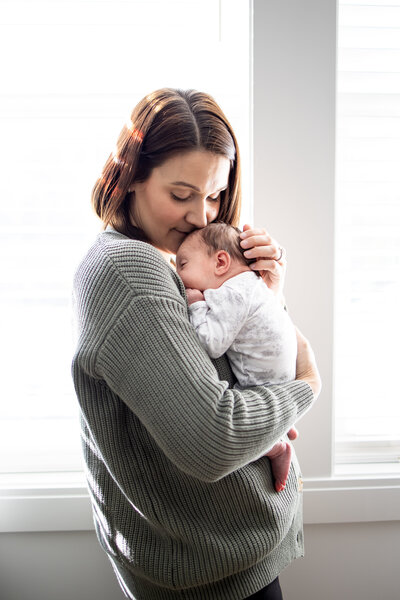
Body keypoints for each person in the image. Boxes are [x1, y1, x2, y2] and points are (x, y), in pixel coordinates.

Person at [72, 88, 321, 600]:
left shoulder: (164, 261)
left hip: (228, 558)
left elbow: (234, 368)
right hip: (209, 577)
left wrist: (262, 295)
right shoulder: (128, 270)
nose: (202, 217)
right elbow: (215, 439)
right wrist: (308, 385)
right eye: (181, 194)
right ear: (131, 177)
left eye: (214, 195)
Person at [175, 222, 299, 493]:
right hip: (281, 380)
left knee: (228, 439)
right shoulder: (253, 285)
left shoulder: (231, 292)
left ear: (221, 262)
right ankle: (280, 429)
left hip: (260, 387)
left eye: (182, 265)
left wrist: (196, 305)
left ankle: (275, 447)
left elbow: (210, 344)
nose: (178, 277)